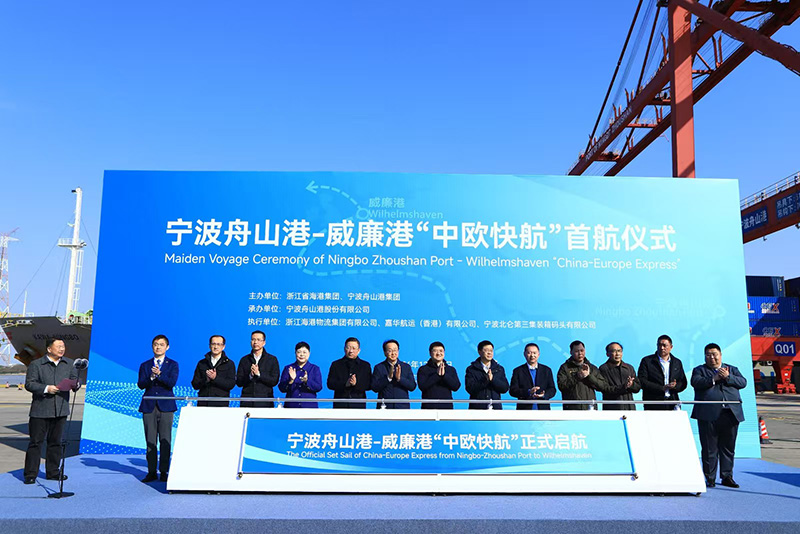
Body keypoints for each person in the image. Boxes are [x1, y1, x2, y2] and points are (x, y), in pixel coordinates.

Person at [23, 339, 81, 484]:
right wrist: (46, 388)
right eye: (58, 346)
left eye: (63, 346)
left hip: (60, 409)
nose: (62, 349)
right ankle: (30, 474)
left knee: (56, 443)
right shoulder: (36, 364)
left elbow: (75, 380)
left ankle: (53, 472)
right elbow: (29, 384)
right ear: (49, 349)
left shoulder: (69, 363)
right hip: (40, 410)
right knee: (35, 443)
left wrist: (76, 384)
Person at [691, 343, 746, 488]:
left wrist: (728, 377)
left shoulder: (732, 369)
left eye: (714, 354)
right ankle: (710, 478)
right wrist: (714, 378)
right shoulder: (699, 370)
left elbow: (743, 382)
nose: (712, 357)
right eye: (708, 355)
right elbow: (696, 382)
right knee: (709, 448)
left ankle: (727, 476)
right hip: (708, 414)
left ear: (720, 355)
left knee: (728, 447)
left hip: (730, 413)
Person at [137, 334, 179, 483]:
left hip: (166, 406)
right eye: (156, 344)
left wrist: (159, 375)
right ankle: (151, 471)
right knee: (150, 440)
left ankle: (164, 471)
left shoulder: (172, 364)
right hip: (149, 406)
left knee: (165, 439)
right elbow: (140, 384)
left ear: (167, 347)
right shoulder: (145, 365)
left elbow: (171, 383)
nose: (158, 347)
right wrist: (151, 377)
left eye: (161, 344)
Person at [556, 340, 611, 410]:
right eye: (577, 351)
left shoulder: (592, 368)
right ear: (571, 352)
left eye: (582, 351)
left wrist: (589, 376)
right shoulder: (565, 368)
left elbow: (602, 386)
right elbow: (561, 386)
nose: (580, 353)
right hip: (572, 409)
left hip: (590, 408)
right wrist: (577, 376)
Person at [638, 334, 687, 410]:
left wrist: (675, 386)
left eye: (664, 345)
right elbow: (642, 381)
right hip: (653, 402)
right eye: (659, 345)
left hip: (672, 402)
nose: (661, 348)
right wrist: (661, 388)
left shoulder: (677, 362)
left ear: (671, 347)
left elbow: (683, 382)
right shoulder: (647, 361)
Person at [236, 330, 280, 408]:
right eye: (253, 339)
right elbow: (239, 382)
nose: (255, 342)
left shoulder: (272, 359)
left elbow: (274, 381)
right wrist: (250, 376)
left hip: (265, 402)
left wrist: (259, 374)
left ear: (264, 343)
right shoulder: (244, 360)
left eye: (259, 340)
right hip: (247, 402)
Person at [191, 335, 236, 407]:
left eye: (219, 344)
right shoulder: (202, 363)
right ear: (209, 346)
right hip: (203, 403)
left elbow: (231, 384)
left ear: (223, 347)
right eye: (213, 344)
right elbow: (195, 384)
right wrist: (206, 379)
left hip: (221, 404)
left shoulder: (229, 364)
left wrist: (215, 378)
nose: (216, 347)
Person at [327, 337, 372, 408]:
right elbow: (330, 384)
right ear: (344, 349)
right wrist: (345, 384)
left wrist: (356, 384)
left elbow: (369, 385)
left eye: (354, 348)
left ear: (359, 350)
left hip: (358, 404)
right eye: (348, 348)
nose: (351, 351)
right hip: (340, 404)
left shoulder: (365, 365)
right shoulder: (336, 364)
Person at [371, 339, 417, 409]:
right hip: (384, 407)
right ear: (385, 353)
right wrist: (388, 378)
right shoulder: (379, 367)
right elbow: (374, 387)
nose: (393, 353)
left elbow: (412, 386)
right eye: (390, 351)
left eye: (395, 350)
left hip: (402, 407)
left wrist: (400, 379)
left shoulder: (406, 367)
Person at [509, 343, 556, 410]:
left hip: (543, 409)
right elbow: (512, 390)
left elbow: (552, 389)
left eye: (534, 353)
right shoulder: (518, 371)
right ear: (524, 354)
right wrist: (528, 392)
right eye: (529, 353)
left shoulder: (547, 370)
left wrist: (544, 395)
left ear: (538, 354)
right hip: (524, 409)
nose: (532, 355)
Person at [465, 340, 509, 409]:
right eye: (486, 350)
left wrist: (492, 380)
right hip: (477, 409)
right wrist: (485, 380)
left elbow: (505, 388)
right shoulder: (471, 369)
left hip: (495, 408)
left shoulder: (499, 369)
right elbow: (470, 388)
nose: (489, 353)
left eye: (491, 351)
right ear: (479, 352)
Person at [417, 341, 461, 409]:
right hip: (428, 408)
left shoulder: (451, 369)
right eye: (435, 351)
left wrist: (444, 376)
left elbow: (456, 387)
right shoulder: (423, 369)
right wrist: (437, 375)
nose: (438, 353)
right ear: (430, 353)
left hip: (447, 408)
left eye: (441, 351)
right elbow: (422, 387)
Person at [278, 341, 323, 408]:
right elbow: (281, 388)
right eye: (299, 352)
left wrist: (307, 381)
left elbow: (318, 387)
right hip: (291, 407)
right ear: (295, 353)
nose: (302, 355)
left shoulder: (314, 368)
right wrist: (291, 381)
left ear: (309, 354)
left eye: (304, 352)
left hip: (309, 407)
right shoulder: (288, 368)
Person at [598, 342, 641, 410]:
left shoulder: (629, 368)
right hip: (612, 408)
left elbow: (637, 388)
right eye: (614, 351)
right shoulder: (604, 369)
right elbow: (605, 389)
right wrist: (623, 387)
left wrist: (631, 385)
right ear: (607, 354)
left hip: (629, 408)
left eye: (619, 351)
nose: (617, 354)